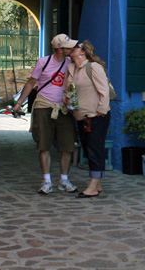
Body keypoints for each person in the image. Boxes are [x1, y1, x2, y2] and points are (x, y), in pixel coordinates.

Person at [13, 33, 78, 194]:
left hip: (63, 108)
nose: (72, 48)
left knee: (68, 145)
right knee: (44, 144)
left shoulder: (71, 63)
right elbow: (31, 83)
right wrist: (19, 103)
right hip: (44, 105)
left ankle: (64, 179)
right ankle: (47, 180)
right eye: (68, 46)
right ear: (60, 49)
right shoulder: (44, 62)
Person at [66, 40, 111, 198]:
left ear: (82, 51)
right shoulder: (71, 68)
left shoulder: (93, 67)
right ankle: (97, 183)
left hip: (95, 115)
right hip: (80, 115)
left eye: (75, 47)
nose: (72, 48)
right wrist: (69, 102)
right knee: (88, 148)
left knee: (94, 149)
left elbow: (103, 90)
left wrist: (101, 110)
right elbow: (70, 91)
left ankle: (93, 185)